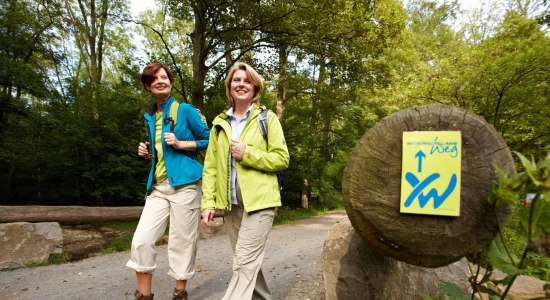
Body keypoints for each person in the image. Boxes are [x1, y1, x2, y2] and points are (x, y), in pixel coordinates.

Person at [201, 62, 290, 300]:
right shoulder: (219, 124)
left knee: (243, 263)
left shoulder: (267, 119)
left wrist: (247, 154)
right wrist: (208, 202)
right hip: (232, 206)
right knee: (249, 263)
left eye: (247, 81)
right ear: (229, 87)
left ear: (256, 88)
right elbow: (210, 167)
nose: (241, 84)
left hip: (261, 202)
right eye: (236, 80)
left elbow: (282, 158)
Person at [126, 62, 210, 300]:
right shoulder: (151, 117)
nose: (161, 81)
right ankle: (144, 296)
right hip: (158, 187)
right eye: (155, 79)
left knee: (181, 242)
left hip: (186, 185)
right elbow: (160, 154)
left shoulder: (185, 110)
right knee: (141, 240)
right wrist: (146, 150)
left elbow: (211, 140)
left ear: (170, 82)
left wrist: (182, 144)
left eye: (165, 77)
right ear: (147, 86)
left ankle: (180, 292)